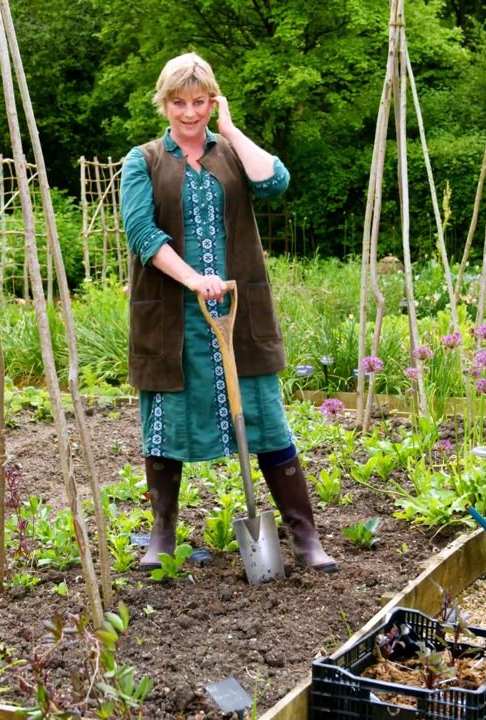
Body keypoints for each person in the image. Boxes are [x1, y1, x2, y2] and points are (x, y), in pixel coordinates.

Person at [120, 52, 337, 573]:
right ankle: (162, 535)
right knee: (166, 426)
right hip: (175, 316)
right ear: (164, 103)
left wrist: (231, 129)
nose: (189, 113)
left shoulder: (233, 153)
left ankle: (305, 537)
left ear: (212, 100)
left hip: (240, 315)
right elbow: (141, 232)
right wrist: (195, 278)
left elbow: (275, 182)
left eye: (199, 101)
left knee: (266, 421)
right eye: (179, 102)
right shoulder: (143, 160)